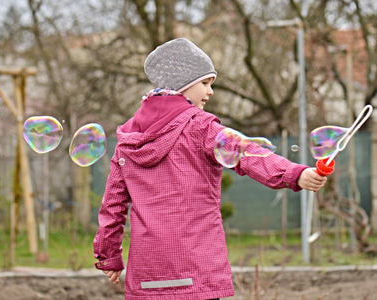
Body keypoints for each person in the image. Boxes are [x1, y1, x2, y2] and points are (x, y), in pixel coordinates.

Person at [93, 38, 327, 300]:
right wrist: (294, 173)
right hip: (197, 269)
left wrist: (108, 255)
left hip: (148, 274)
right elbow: (246, 152)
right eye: (205, 83)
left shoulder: (128, 138)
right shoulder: (200, 127)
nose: (210, 91)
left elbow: (112, 205)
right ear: (182, 85)